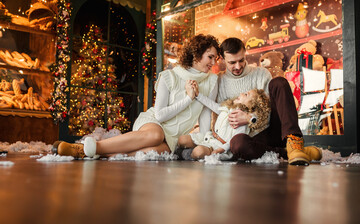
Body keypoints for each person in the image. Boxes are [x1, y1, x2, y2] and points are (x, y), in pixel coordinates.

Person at [53, 34, 220, 158]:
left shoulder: (212, 80)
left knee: (152, 152)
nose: (213, 63)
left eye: (216, 58)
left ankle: (98, 154)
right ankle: (86, 148)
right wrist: (188, 99)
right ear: (196, 54)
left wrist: (206, 142)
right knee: (156, 136)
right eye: (210, 57)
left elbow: (205, 113)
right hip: (155, 124)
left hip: (173, 138)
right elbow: (161, 115)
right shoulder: (169, 76)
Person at [217, 37, 321, 165]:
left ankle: (294, 142)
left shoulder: (261, 73)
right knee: (238, 144)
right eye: (232, 63)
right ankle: (287, 153)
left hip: (271, 130)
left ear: (245, 54)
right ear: (223, 59)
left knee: (279, 82)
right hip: (251, 139)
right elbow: (220, 116)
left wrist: (251, 118)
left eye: (241, 60)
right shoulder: (220, 81)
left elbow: (268, 109)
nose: (238, 66)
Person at [177, 87, 270, 160]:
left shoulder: (241, 122)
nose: (241, 93)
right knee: (182, 139)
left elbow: (232, 141)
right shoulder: (228, 108)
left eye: (246, 95)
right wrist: (198, 95)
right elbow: (212, 105)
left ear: (251, 105)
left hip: (218, 147)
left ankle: (189, 155)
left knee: (198, 152)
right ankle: (191, 150)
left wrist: (219, 150)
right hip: (210, 138)